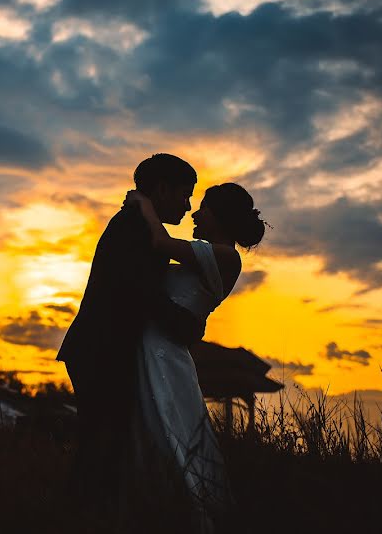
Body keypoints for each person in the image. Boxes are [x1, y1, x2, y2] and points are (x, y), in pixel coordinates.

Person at [55, 153, 202, 517]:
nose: (187, 206)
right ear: (162, 189)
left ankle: (88, 515)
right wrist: (184, 325)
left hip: (102, 349)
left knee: (105, 443)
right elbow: (139, 291)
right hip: (101, 350)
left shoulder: (140, 224)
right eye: (184, 195)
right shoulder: (134, 227)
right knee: (102, 443)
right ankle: (81, 517)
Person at [124, 182, 267, 531]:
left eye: (203, 207)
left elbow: (160, 243)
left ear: (219, 216)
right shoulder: (206, 251)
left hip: (166, 357)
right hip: (156, 349)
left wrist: (144, 204)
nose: (195, 212)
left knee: (172, 430)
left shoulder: (226, 256)